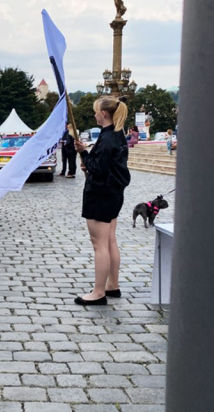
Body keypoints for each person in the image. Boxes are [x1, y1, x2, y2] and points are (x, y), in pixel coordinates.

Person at [73, 96, 131, 305]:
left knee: (100, 244)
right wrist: (89, 159)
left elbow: (98, 168)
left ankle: (98, 292)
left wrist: (84, 155)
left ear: (104, 114)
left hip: (101, 194)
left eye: (97, 111)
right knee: (110, 240)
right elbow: (104, 164)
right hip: (113, 193)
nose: (95, 114)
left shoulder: (107, 138)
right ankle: (112, 285)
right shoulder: (117, 134)